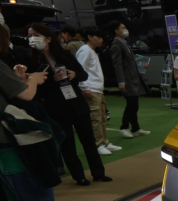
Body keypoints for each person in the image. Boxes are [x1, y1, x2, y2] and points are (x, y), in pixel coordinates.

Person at [28, 23, 109, 184]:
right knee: (67, 144)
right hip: (55, 105)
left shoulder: (64, 54)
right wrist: (53, 79)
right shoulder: (31, 60)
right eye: (30, 36)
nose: (32, 39)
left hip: (76, 102)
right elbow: (36, 88)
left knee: (88, 140)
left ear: (48, 38)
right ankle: (79, 176)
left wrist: (74, 75)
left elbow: (83, 74)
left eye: (36, 35)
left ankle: (98, 173)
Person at [0, 40, 59, 201]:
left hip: (4, 142)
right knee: (32, 184)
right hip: (10, 136)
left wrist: (18, 79)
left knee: (13, 189)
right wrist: (33, 79)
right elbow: (25, 94)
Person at [76, 26, 120, 156]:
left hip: (98, 89)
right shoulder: (85, 50)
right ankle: (98, 144)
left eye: (102, 37)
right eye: (98, 37)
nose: (101, 40)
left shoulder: (92, 51)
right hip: (91, 89)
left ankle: (105, 142)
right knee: (95, 119)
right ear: (89, 37)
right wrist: (85, 87)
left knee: (102, 117)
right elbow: (81, 69)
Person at [107, 21, 151, 140]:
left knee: (133, 104)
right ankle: (124, 127)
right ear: (116, 31)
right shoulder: (116, 45)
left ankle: (135, 128)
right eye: (123, 27)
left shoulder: (124, 43)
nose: (126, 29)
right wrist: (121, 81)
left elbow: (129, 62)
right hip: (127, 80)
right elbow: (117, 65)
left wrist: (142, 66)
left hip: (132, 79)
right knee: (132, 105)